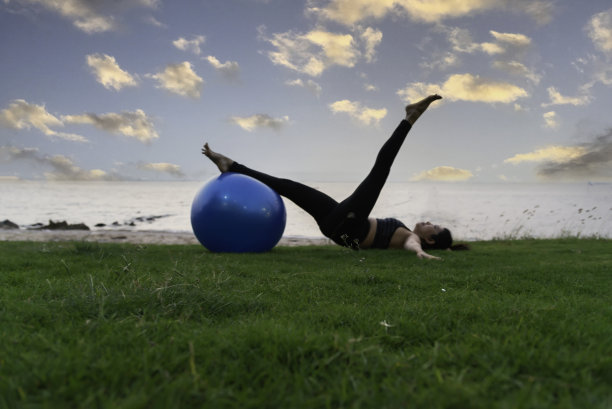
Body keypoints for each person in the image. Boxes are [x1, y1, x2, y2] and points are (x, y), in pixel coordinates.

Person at [202, 94, 468, 259]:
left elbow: (412, 245)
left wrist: (420, 252)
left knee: (380, 171)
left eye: (435, 227)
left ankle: (410, 117)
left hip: (349, 227)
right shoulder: (407, 231)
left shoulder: (411, 238)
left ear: (429, 238)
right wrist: (446, 248)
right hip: (338, 221)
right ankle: (232, 165)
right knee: (291, 187)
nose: (431, 222)